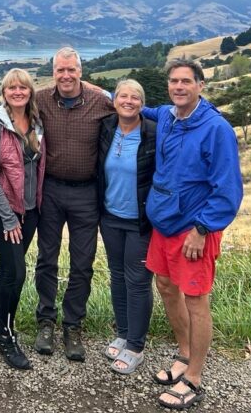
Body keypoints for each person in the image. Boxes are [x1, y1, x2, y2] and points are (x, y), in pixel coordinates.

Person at [142, 58, 243, 411]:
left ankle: (195, 379)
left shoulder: (216, 129)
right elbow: (139, 105)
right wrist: (89, 88)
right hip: (164, 224)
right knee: (167, 288)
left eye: (186, 81)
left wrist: (202, 229)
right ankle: (183, 355)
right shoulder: (169, 116)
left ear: (201, 85)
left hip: (193, 229)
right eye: (173, 81)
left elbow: (228, 190)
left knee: (195, 299)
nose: (179, 87)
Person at [33, 47, 113, 361]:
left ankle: (73, 324)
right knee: (46, 258)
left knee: (82, 263)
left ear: (80, 71)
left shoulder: (101, 101)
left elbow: (132, 108)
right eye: (60, 70)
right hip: (50, 189)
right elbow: (6, 109)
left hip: (86, 193)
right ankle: (45, 321)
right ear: (53, 72)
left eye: (71, 70)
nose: (66, 76)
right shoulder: (39, 100)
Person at [0, 68, 46, 370]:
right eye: (11, 88)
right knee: (17, 272)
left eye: (23, 87)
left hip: (29, 210)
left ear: (30, 91)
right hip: (0, 211)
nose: (17, 92)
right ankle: (7, 334)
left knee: (8, 269)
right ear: (4, 92)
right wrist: (8, 217)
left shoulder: (36, 121)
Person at [97, 78, 157, 376]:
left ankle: (135, 346)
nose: (128, 101)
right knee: (117, 276)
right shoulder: (107, 127)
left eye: (135, 97)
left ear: (142, 104)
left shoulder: (153, 133)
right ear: (114, 100)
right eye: (123, 96)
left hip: (140, 221)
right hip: (109, 216)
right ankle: (122, 333)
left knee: (138, 281)